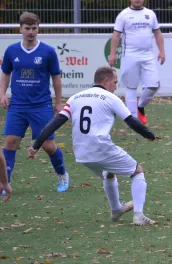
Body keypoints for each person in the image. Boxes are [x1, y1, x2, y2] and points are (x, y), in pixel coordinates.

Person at [28, 67, 157, 226]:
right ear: (106, 81)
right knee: (137, 172)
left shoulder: (75, 97)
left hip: (81, 152)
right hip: (101, 147)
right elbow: (131, 121)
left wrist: (36, 145)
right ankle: (139, 215)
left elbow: (56, 122)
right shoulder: (111, 98)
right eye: (115, 83)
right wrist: (149, 135)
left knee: (108, 173)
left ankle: (116, 210)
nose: (115, 87)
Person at [0, 12, 69, 194]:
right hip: (18, 105)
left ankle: (62, 174)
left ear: (38, 28)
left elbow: (56, 77)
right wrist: (2, 94)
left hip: (41, 105)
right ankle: (4, 184)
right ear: (20, 29)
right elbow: (6, 73)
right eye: (27, 28)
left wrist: (59, 102)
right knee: (10, 142)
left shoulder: (47, 52)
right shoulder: (11, 51)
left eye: (34, 28)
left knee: (47, 145)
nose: (31, 32)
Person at [108, 0, 166, 125]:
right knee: (131, 87)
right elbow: (116, 35)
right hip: (130, 55)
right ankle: (133, 120)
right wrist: (112, 53)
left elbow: (157, 33)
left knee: (153, 85)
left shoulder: (150, 14)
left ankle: (140, 107)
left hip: (147, 55)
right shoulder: (124, 15)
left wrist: (162, 51)